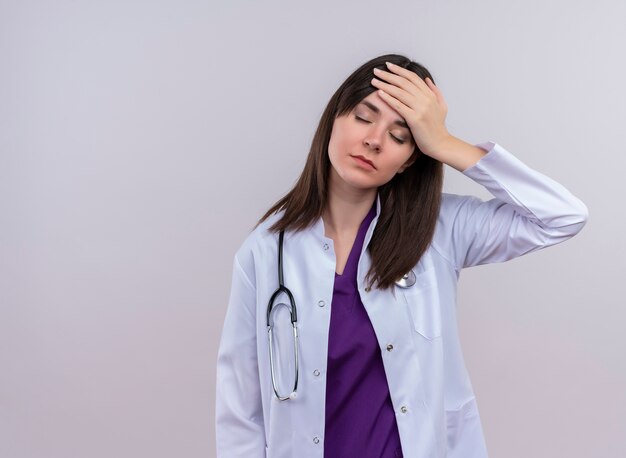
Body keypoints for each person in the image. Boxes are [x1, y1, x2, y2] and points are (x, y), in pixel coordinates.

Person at [214, 53, 588, 458]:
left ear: (412, 158)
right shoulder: (267, 252)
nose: (374, 140)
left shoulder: (440, 232)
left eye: (400, 135)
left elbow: (563, 216)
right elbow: (240, 410)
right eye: (363, 116)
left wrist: (444, 143)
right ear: (333, 119)